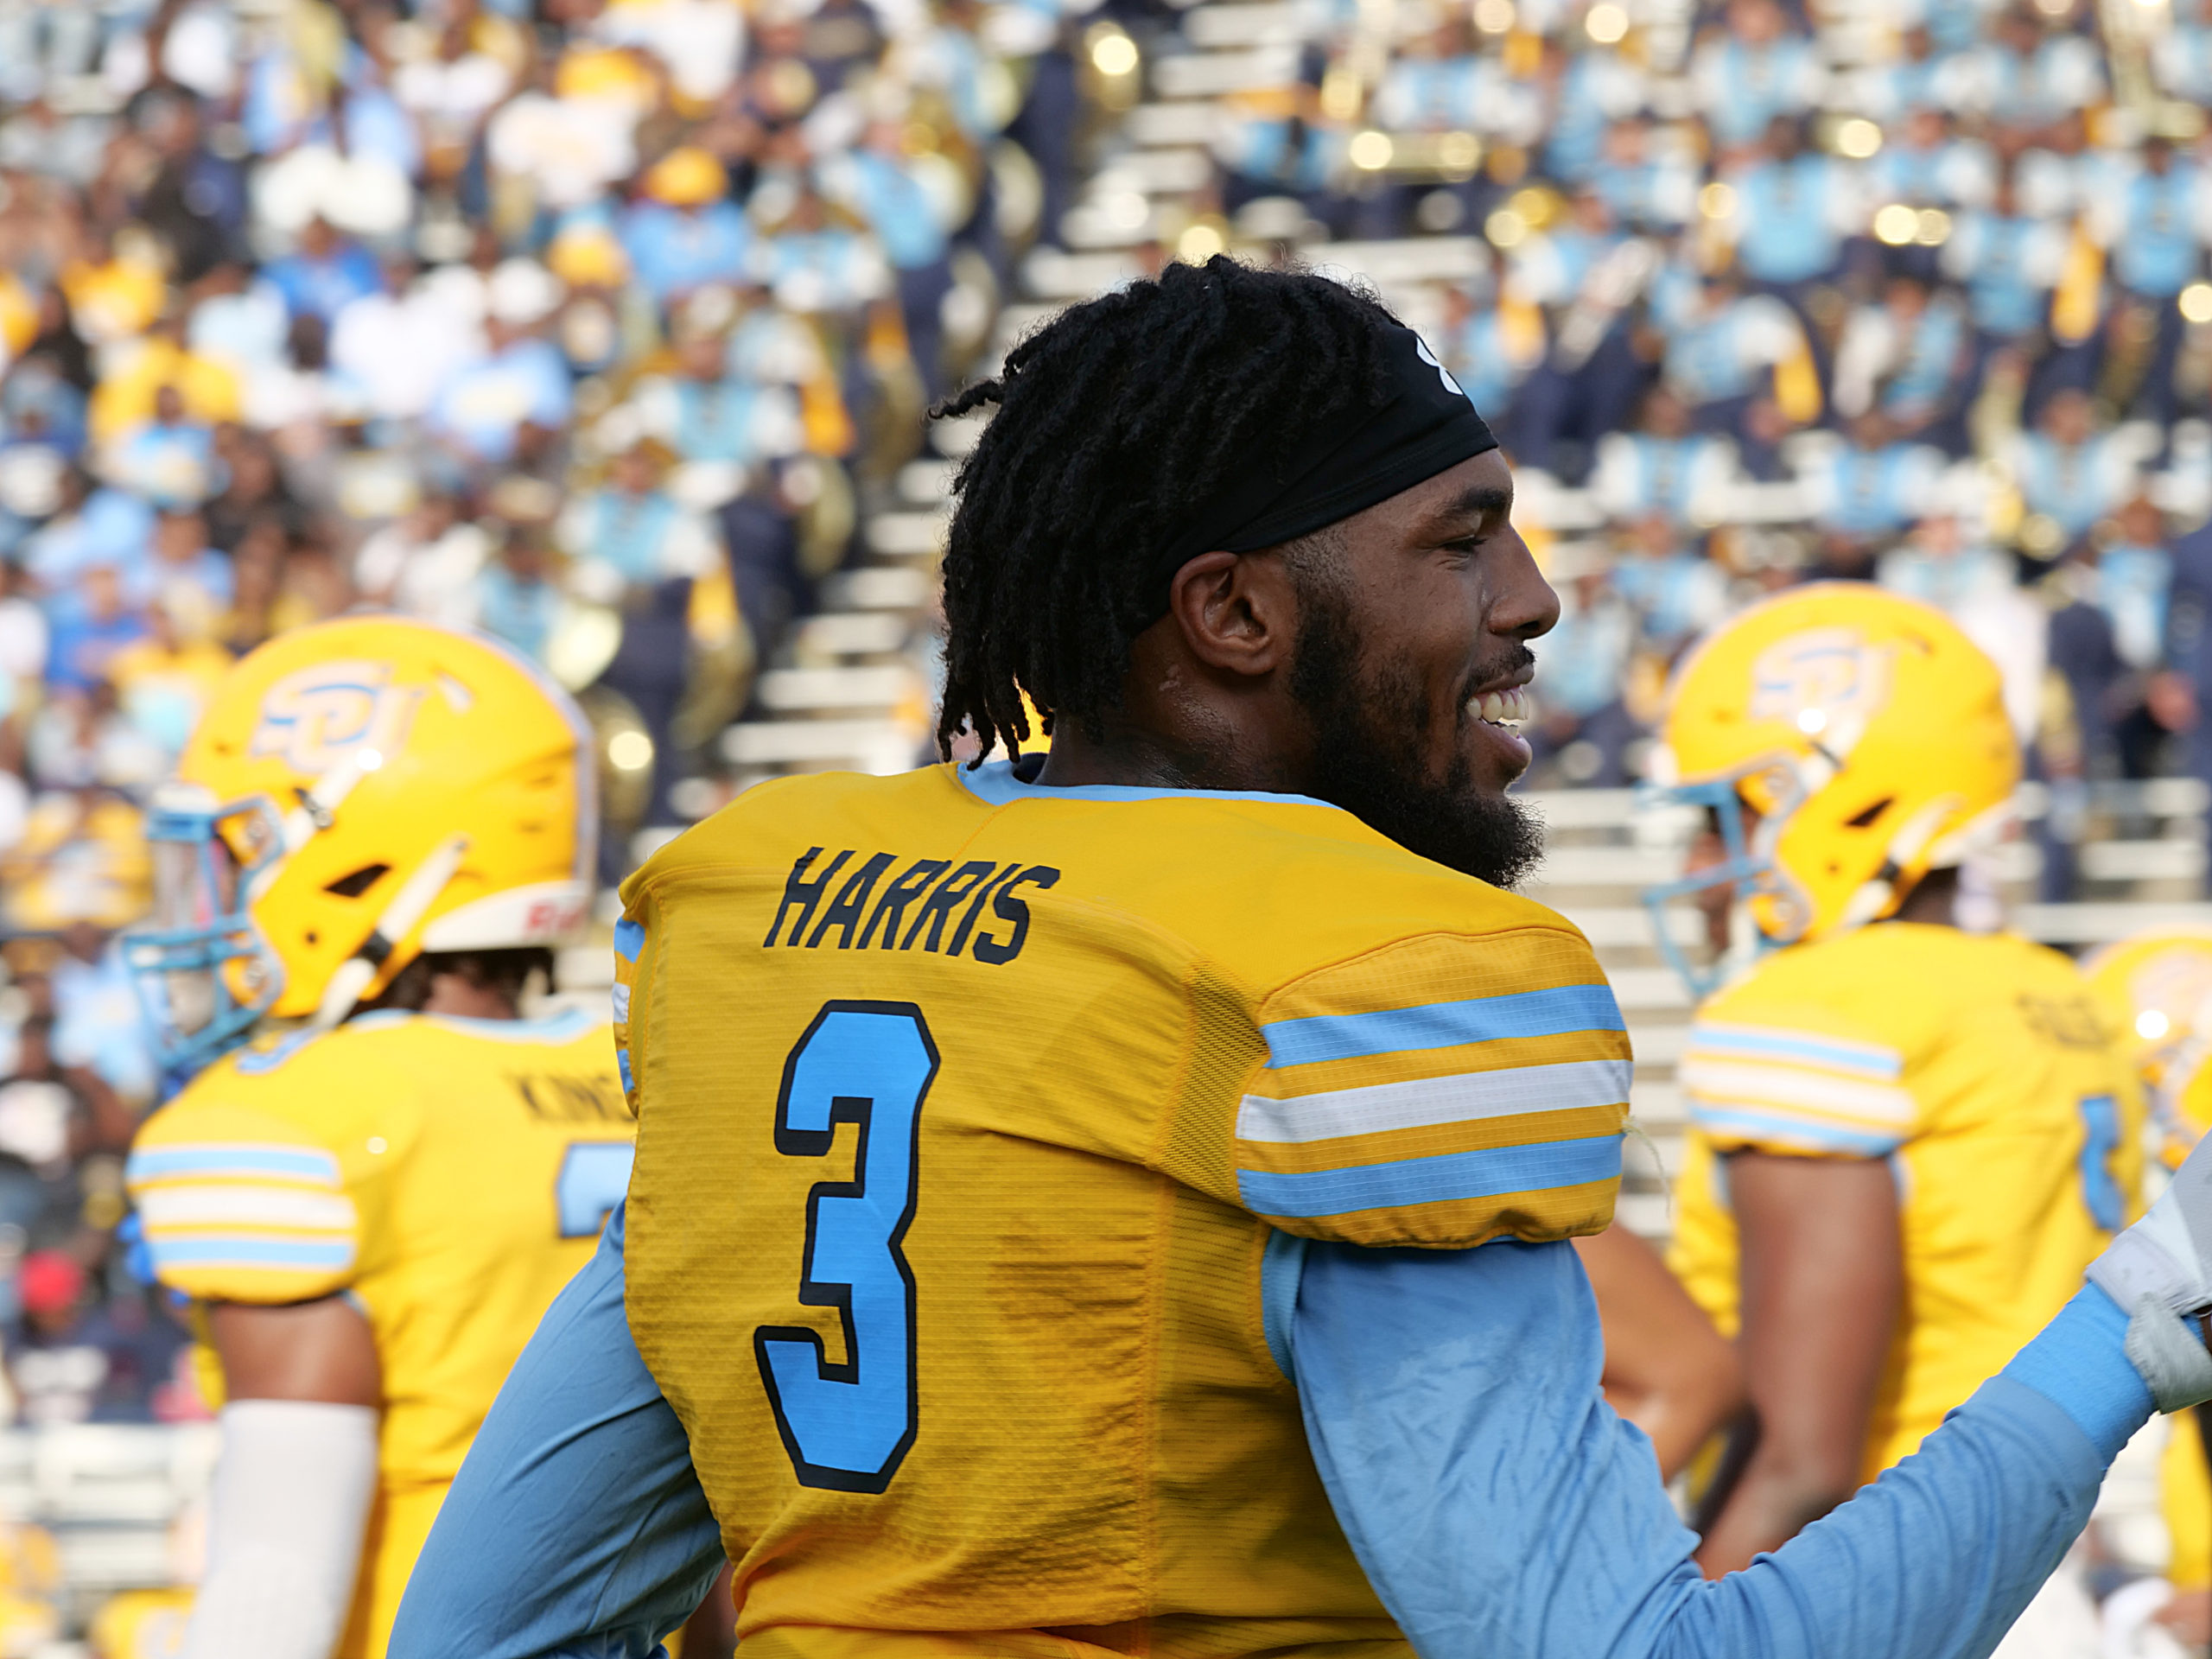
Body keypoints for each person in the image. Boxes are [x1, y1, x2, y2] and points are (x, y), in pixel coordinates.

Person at [396, 259, 2212, 1659]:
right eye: (1459, 540)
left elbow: (486, 1632)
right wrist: (2125, 1331)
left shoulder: (752, 915)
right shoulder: (1351, 969)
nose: (1530, 599)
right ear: (1236, 613)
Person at [118, 617, 632, 1659]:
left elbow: (278, 1582)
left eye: (244, 856)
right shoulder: (646, 1070)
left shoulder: (289, 1120)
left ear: (364, 860)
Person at [1652, 587, 2142, 1643]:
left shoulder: (1818, 1010)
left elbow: (1802, 1460)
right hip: (2040, 1563)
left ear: (1846, 805)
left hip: (1885, 1580)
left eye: (1724, 817)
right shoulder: (2051, 991)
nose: (1701, 867)